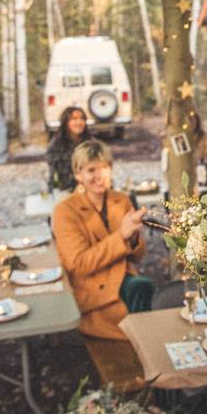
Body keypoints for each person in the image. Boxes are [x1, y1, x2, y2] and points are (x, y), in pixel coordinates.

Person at [52, 140, 154, 339]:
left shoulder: (121, 200)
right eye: (91, 170)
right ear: (78, 175)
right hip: (94, 290)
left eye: (105, 168)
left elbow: (138, 256)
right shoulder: (65, 211)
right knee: (143, 296)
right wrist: (122, 236)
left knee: (144, 290)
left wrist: (133, 237)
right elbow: (77, 264)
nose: (100, 176)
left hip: (125, 280)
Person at [47, 106, 93, 192]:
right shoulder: (56, 145)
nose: (79, 122)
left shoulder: (91, 143)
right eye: (74, 119)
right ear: (65, 122)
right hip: (65, 189)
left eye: (82, 119)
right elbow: (56, 175)